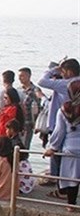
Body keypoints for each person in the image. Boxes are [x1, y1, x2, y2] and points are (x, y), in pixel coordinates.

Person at [38, 57, 80, 185]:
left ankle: (58, 182)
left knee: (59, 156)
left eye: (64, 71)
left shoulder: (65, 84)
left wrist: (53, 70)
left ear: (70, 72)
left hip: (64, 124)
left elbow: (42, 81)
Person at [43, 79, 80, 212]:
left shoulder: (64, 110)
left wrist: (52, 148)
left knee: (71, 178)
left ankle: (71, 205)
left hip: (70, 149)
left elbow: (59, 132)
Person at [0, 87, 25, 154]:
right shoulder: (6, 107)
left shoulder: (14, 108)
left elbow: (9, 120)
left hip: (4, 132)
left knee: (0, 150)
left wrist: (0, 110)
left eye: (6, 98)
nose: (4, 100)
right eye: (4, 98)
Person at [18, 67, 41, 151]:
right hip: (18, 122)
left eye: (22, 76)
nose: (20, 78)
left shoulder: (35, 90)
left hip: (28, 123)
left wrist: (36, 124)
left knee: (24, 146)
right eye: (19, 76)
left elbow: (38, 108)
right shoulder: (18, 90)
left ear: (29, 76)